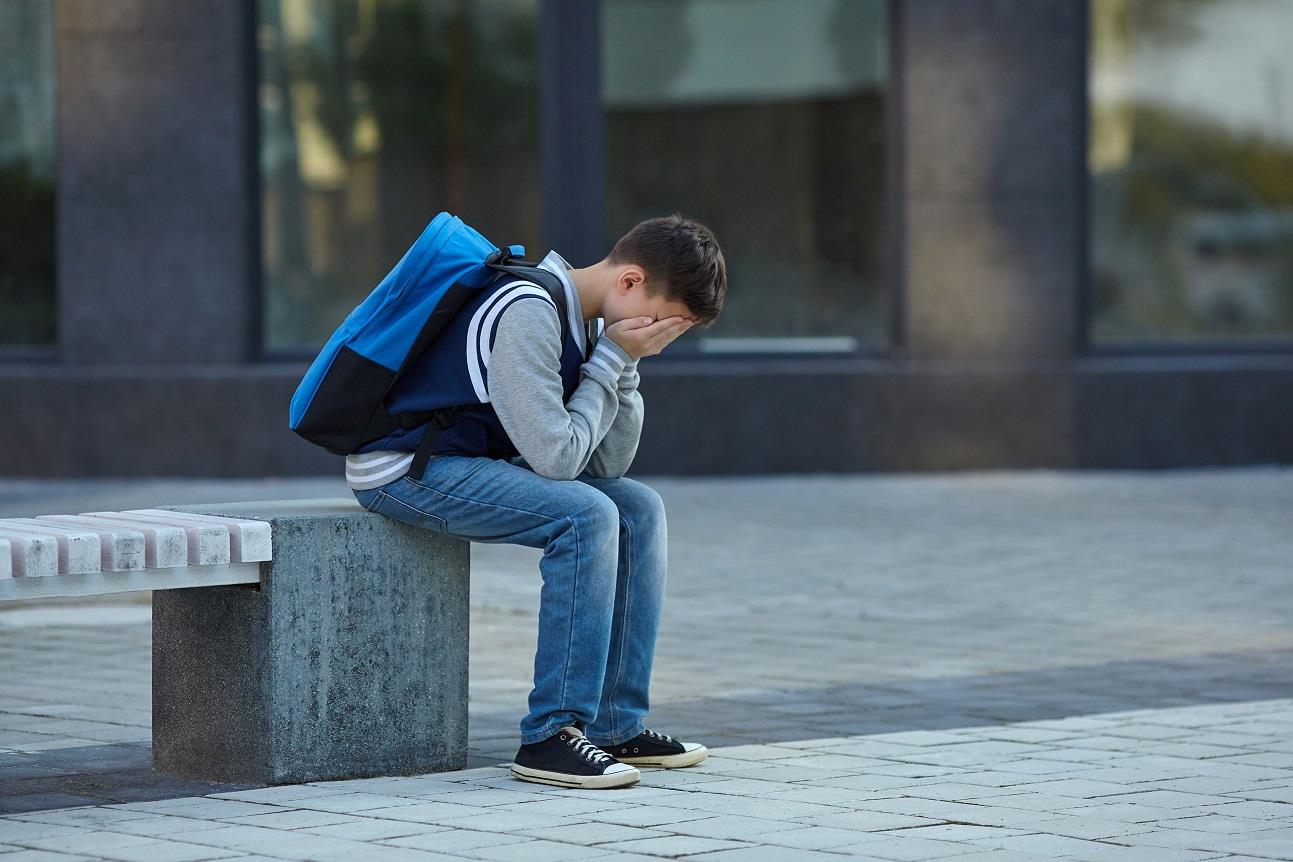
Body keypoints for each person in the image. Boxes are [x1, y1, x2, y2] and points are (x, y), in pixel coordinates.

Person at [348, 214, 727, 789]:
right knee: (587, 515)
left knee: (636, 506)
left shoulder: (585, 327)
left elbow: (605, 465)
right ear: (630, 281)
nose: (659, 337)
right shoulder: (528, 309)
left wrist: (622, 366)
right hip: (403, 471)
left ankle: (614, 725)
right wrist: (611, 361)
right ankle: (551, 735)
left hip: (466, 466)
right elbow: (558, 462)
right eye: (663, 323)